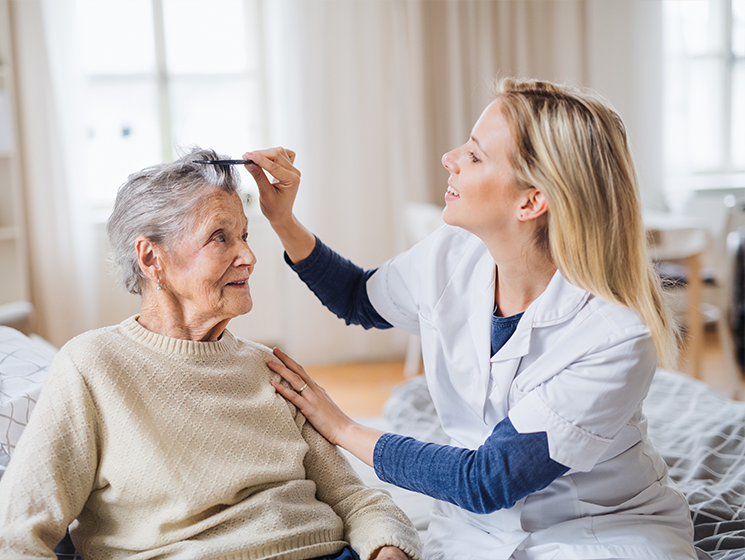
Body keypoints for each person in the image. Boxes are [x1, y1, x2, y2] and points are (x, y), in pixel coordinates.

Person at [243, 79, 698, 560]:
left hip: (598, 530)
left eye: (476, 156)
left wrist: (340, 427)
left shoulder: (615, 336)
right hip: (473, 530)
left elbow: (486, 480)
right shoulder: (452, 253)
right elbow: (359, 298)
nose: (450, 157)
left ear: (530, 202)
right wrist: (283, 220)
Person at [0, 148, 422, 560]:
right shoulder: (93, 365)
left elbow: (357, 498)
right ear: (152, 260)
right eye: (219, 238)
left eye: (244, 235)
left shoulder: (268, 365)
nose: (248, 256)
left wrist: (388, 551)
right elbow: (12, 537)